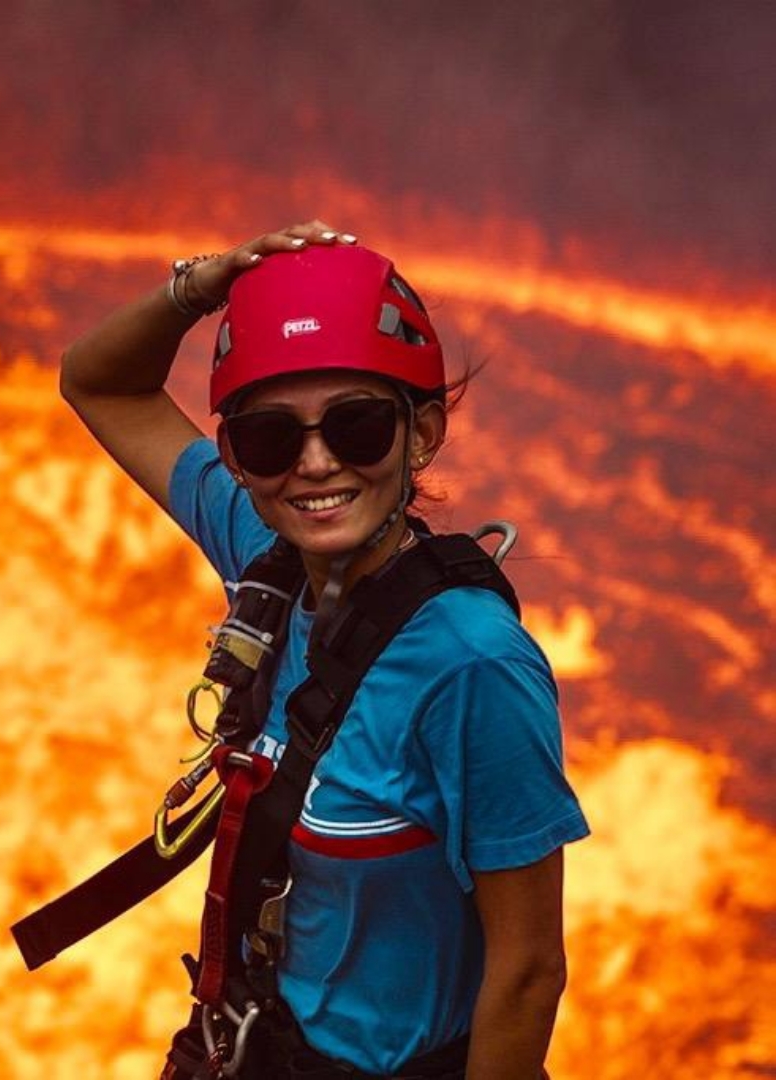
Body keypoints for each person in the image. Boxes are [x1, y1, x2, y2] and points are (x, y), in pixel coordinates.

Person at [59, 222, 590, 1079]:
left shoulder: (473, 666)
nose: (313, 466)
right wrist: (202, 286)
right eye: (271, 439)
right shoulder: (266, 559)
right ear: (234, 457)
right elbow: (99, 382)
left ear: (420, 435)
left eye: (356, 427)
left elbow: (529, 975)